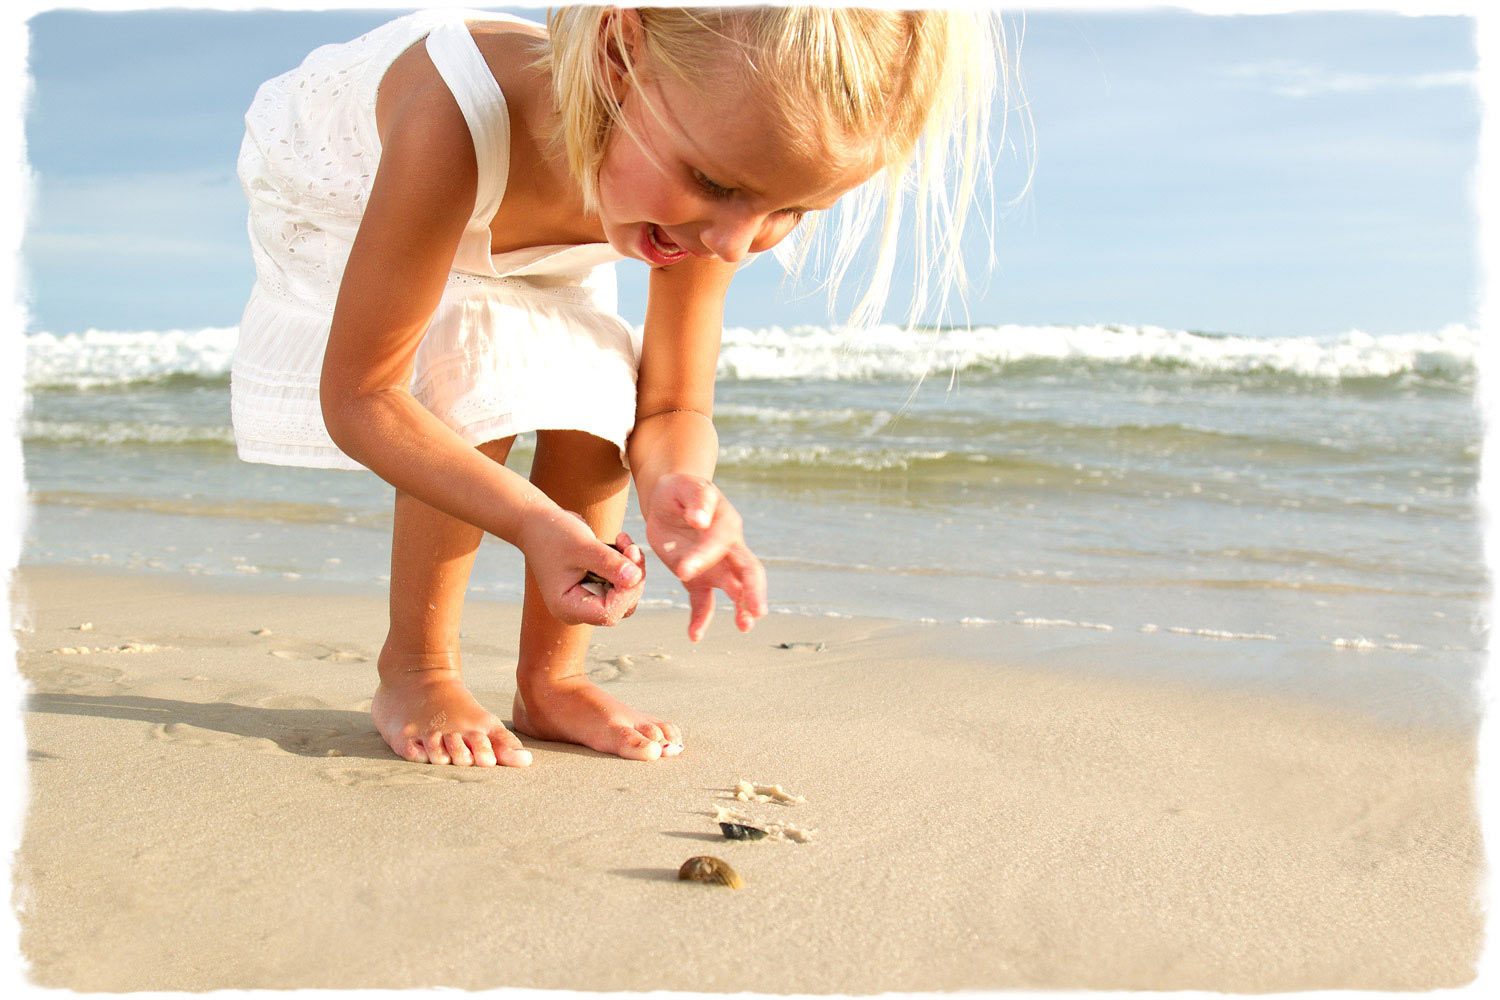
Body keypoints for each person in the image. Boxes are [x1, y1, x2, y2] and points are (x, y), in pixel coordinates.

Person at [231, 6, 1002, 768]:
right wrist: (532, 520)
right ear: (617, 57)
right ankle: (418, 668)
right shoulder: (454, 115)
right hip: (353, 181)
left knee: (601, 388)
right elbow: (363, 397)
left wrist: (678, 485)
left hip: (568, 199)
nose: (735, 241)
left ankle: (554, 680)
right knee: (470, 370)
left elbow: (673, 405)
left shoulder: (716, 190)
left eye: (792, 209)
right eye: (711, 182)